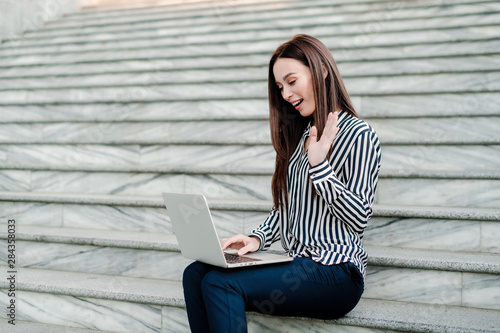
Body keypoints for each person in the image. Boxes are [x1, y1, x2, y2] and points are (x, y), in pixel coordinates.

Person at [182, 34, 382, 333]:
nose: (286, 94)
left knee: (220, 284)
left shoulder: (359, 134)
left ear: (321, 70)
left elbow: (358, 218)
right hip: (299, 263)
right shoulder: (303, 135)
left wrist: (320, 166)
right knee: (195, 274)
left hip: (337, 272)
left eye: (291, 81)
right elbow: (289, 208)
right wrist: (256, 239)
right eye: (280, 87)